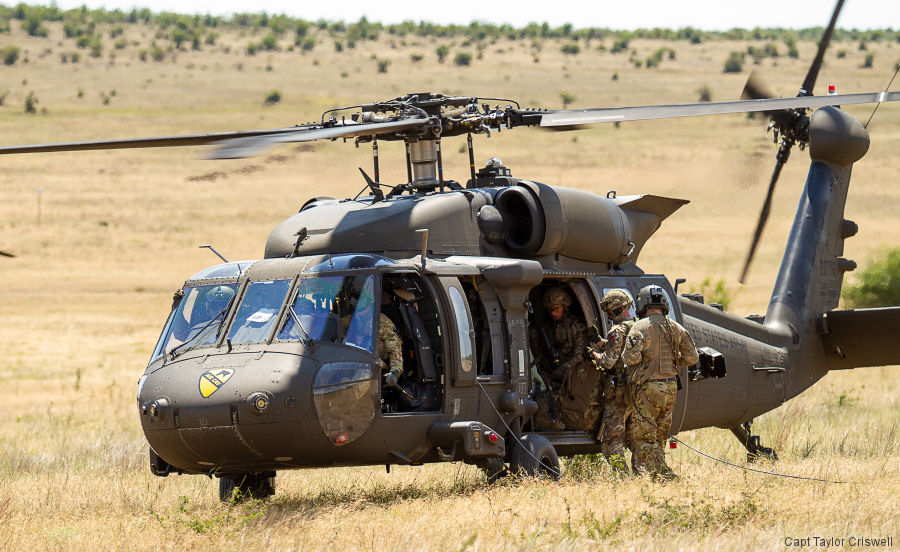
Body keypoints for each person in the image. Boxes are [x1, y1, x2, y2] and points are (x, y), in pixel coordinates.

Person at [623, 284, 698, 480]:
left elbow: (629, 358)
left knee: (643, 437)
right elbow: (692, 358)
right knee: (659, 435)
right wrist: (674, 361)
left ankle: (664, 474)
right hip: (671, 388)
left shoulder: (639, 327)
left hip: (648, 389)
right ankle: (649, 476)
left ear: (643, 304)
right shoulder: (676, 327)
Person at [584, 289, 636, 475]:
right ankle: (642, 473)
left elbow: (608, 362)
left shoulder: (617, 330)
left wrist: (592, 354)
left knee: (609, 440)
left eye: (608, 313)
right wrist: (600, 341)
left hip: (620, 394)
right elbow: (621, 348)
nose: (609, 317)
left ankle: (622, 475)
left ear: (614, 311)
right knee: (633, 437)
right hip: (637, 392)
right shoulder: (636, 327)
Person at [528, 287, 587, 430]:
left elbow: (580, 356)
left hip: (574, 374)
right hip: (555, 374)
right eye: (550, 310)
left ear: (565, 307)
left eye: (557, 308)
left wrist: (560, 371)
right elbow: (542, 356)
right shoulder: (548, 328)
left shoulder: (576, 327)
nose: (554, 313)